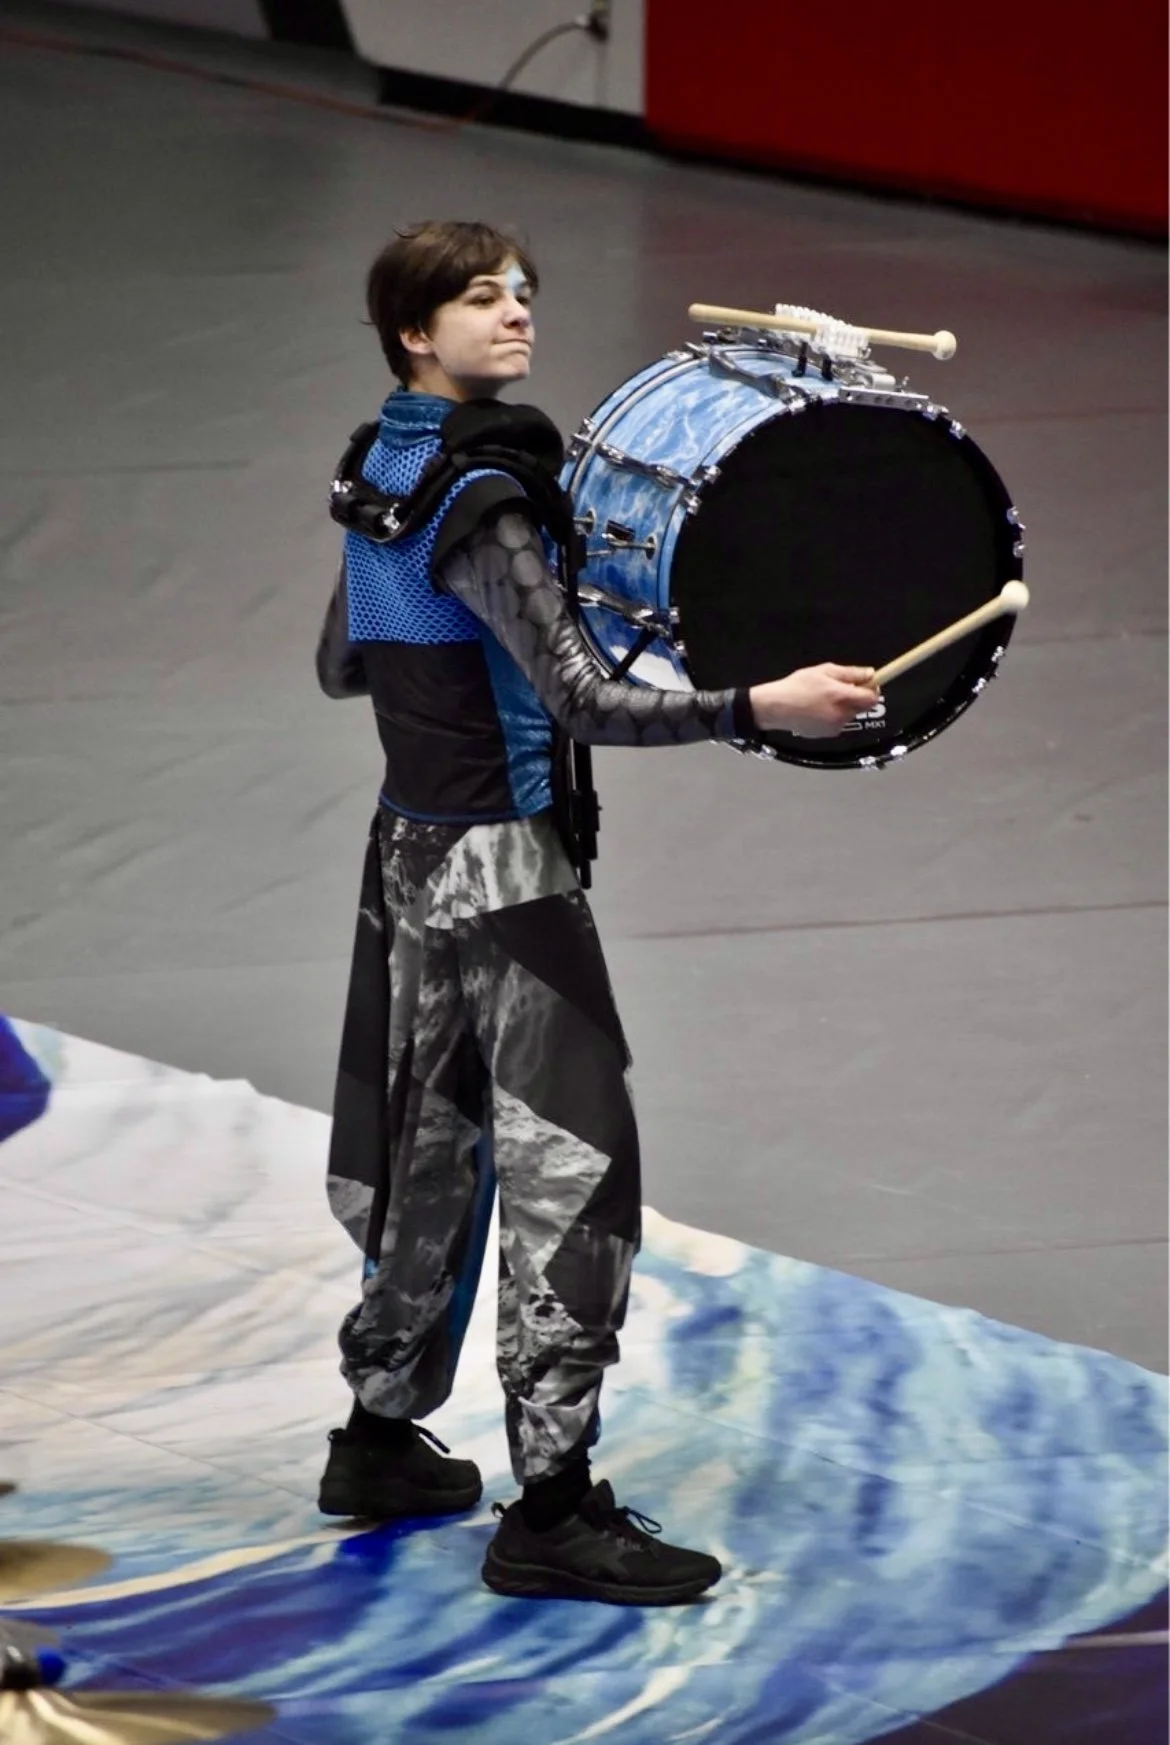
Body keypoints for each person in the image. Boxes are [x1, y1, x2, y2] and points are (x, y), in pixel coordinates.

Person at [315, 220, 880, 1605]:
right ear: (412, 330)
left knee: (429, 1147)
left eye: (522, 292)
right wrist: (763, 704)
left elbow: (342, 664)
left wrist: (477, 658)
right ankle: (551, 1511)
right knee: (573, 1176)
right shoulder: (491, 497)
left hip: (406, 859)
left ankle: (379, 1436)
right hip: (506, 876)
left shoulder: (382, 465)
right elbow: (577, 702)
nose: (514, 314)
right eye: (477, 298)